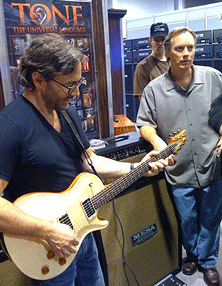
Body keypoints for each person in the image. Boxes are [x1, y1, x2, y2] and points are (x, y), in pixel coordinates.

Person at [0, 33, 168, 286]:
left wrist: (139, 167)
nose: (76, 93)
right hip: (47, 244)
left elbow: (91, 162)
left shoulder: (66, 113)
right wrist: (48, 231)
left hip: (82, 232)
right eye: (69, 85)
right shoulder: (10, 126)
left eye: (79, 83)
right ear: (38, 80)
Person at [136, 27, 222, 286]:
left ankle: (207, 261)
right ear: (168, 51)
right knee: (187, 217)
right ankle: (192, 254)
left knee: (211, 215)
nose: (186, 54)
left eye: (190, 48)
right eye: (179, 49)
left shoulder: (214, 78)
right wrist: (156, 139)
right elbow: (145, 123)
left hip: (211, 163)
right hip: (179, 167)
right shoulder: (154, 89)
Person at [133, 22, 169, 101]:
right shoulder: (143, 67)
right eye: (156, 40)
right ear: (150, 41)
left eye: (162, 40)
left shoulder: (174, 63)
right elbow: (143, 100)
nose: (159, 43)